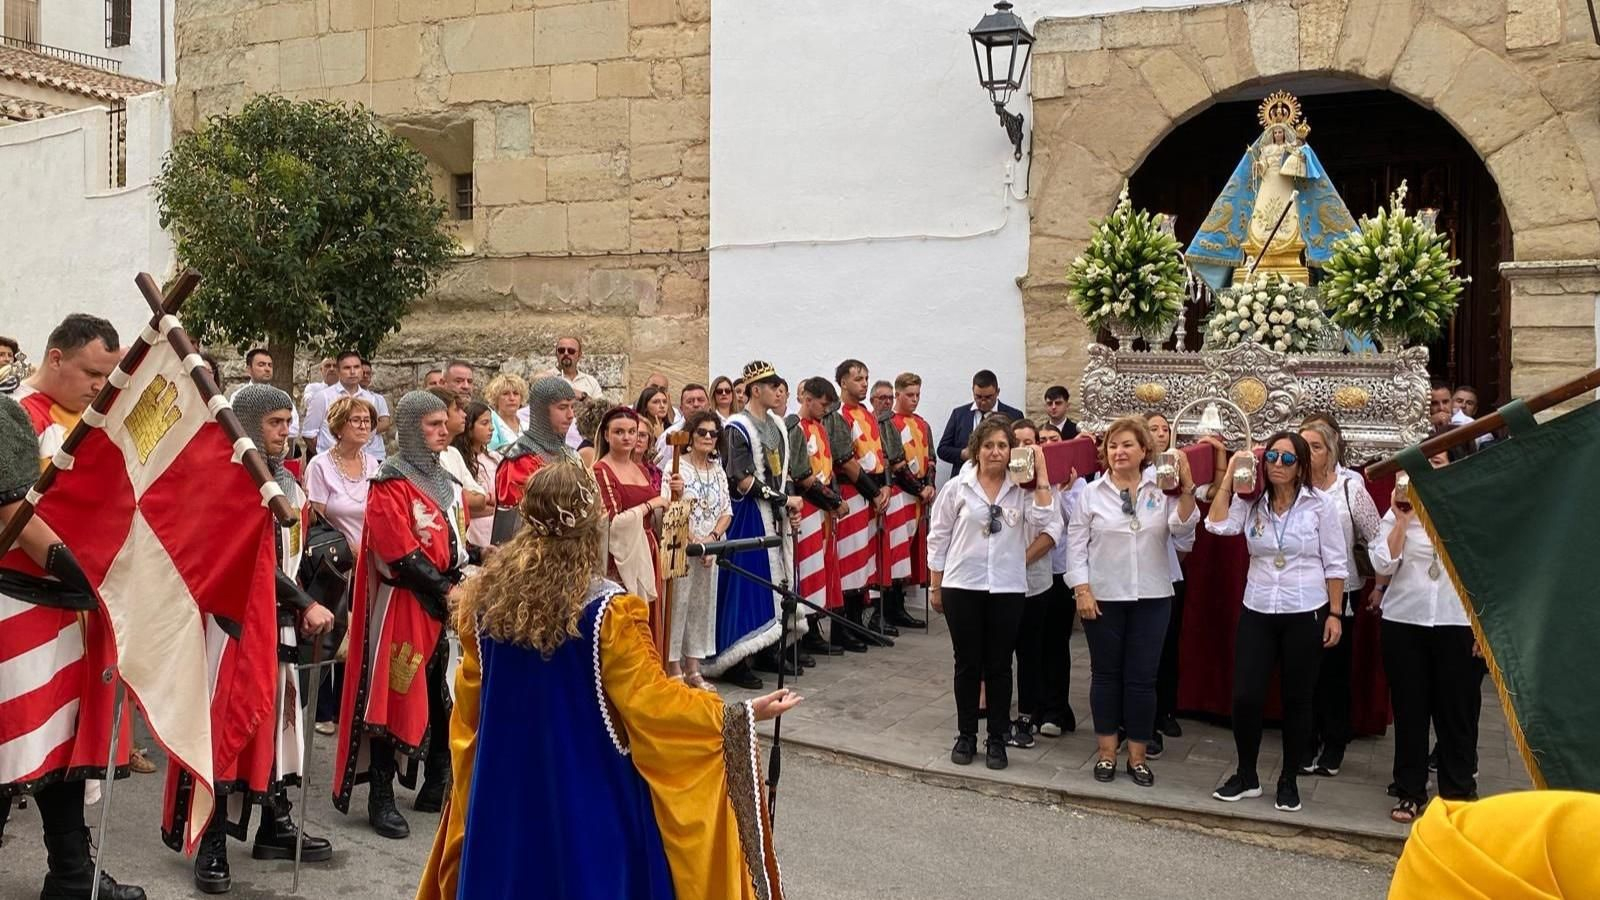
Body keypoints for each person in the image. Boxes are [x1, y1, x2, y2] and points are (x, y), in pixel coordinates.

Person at [414, 460, 796, 899]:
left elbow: (468, 713)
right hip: (588, 793)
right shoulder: (610, 613)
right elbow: (654, 706)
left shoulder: (483, 605)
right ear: (591, 525)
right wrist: (736, 715)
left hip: (503, 792)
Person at [170, 385, 337, 894]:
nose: (287, 432)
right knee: (228, 725)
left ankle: (273, 822)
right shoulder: (230, 481)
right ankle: (212, 839)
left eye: (289, 422)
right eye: (275, 423)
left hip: (280, 618)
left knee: (281, 722)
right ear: (246, 424)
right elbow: (251, 561)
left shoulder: (286, 480)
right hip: (234, 621)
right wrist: (305, 601)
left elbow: (292, 551)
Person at [1, 386, 145, 900]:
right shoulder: (18, 413)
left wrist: (88, 581)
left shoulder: (3, 416)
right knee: (8, 749)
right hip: (13, 609)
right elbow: (12, 516)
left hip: (35, 608)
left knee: (51, 747)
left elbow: (17, 512)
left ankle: (70, 874)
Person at [334, 391, 473, 839]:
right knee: (395, 696)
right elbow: (400, 552)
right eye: (432, 424)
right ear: (412, 428)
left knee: (441, 694)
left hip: (445, 600)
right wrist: (444, 590)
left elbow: (457, 539)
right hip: (405, 605)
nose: (443, 430)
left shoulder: (445, 480)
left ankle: (435, 784)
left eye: (443, 423)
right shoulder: (390, 482)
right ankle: (380, 797)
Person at [1207, 431, 1347, 813]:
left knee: (1297, 699)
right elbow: (1217, 525)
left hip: (1306, 609)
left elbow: (1335, 562)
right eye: (1272, 457)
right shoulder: (1252, 503)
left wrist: (1335, 613)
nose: (1278, 466)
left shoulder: (1320, 506)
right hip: (1259, 607)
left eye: (1287, 459)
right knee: (1246, 695)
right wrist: (1230, 477)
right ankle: (1247, 774)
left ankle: (1288, 778)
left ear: (1301, 466)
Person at [1066, 416, 1198, 786]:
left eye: (1126, 445)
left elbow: (1183, 533)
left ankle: (1138, 756)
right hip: (1104, 597)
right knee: (1106, 676)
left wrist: (1187, 492)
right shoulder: (1092, 493)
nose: (1118, 452)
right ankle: (1107, 752)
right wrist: (1082, 590)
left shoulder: (1162, 489)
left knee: (1142, 679)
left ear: (1144, 451)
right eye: (1112, 446)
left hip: (1153, 596)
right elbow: (1076, 547)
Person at [928, 416, 1055, 771]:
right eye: (989, 445)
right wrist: (935, 584)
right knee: (968, 664)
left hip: (1007, 586)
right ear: (977, 449)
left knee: (1000, 666)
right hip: (962, 584)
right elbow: (938, 537)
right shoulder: (958, 487)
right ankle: (966, 733)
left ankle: (997, 738)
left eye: (1002, 446)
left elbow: (1046, 521)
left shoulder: (1023, 489)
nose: (995, 452)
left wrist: (1040, 474)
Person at [1371, 450, 1484, 823]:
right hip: (1406, 621)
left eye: (1437, 462)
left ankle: (1457, 792)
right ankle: (1410, 791)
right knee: (1410, 710)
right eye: (1423, 463)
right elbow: (1382, 564)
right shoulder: (1398, 512)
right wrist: (1403, 522)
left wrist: (1484, 630)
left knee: (1458, 711)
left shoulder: (1471, 511)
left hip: (1457, 624)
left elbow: (1487, 576)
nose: (1428, 470)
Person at [703, 361, 802, 688]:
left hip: (775, 515)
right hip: (749, 516)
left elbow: (783, 471)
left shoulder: (776, 425)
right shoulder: (737, 427)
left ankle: (770, 649)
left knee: (778, 583)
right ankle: (736, 657)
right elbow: (742, 479)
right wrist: (783, 500)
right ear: (756, 390)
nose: (778, 391)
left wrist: (788, 502)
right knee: (747, 585)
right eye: (772, 386)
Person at [1297, 415, 1381, 778]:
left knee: (1334, 672)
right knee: (1303, 671)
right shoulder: (1290, 486)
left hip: (1341, 593)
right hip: (1298, 593)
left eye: (1316, 446)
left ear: (1331, 450)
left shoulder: (1350, 487)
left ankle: (1334, 742)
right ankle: (1305, 740)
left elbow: (1376, 535)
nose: (1309, 454)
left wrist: (1379, 584)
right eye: (1304, 447)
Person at [303, 395, 381, 734]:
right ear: (339, 426)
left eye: (368, 421)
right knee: (332, 630)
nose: (364, 426)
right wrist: (345, 545)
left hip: (368, 559)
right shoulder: (320, 465)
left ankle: (348, 705)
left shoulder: (374, 465)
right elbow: (315, 517)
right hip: (335, 562)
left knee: (359, 632)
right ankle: (322, 711)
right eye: (357, 420)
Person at [1004, 420, 1064, 750]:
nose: (1026, 448)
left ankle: (1027, 717)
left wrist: (1020, 560)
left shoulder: (1048, 486)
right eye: (1020, 442)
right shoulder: (1002, 484)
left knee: (1030, 654)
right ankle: (1000, 715)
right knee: (999, 653)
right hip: (1000, 584)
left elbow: (1052, 532)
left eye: (1033, 442)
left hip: (1033, 582)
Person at [1144, 412, 1198, 755]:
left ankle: (1165, 711)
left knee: (1165, 648)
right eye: (1154, 429)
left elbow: (1184, 526)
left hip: (1166, 571)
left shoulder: (1173, 472)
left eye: (1166, 429)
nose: (1161, 434)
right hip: (1132, 575)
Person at [829, 359, 894, 641]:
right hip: (853, 493)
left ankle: (858, 621)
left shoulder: (868, 415)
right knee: (849, 559)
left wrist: (887, 486)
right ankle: (842, 628)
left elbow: (882, 455)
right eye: (858, 378)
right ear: (843, 382)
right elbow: (846, 461)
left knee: (866, 562)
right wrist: (874, 491)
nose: (865, 383)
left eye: (867, 378)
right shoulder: (839, 415)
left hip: (872, 496)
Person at [593, 406, 679, 614]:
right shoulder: (601, 470)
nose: (627, 437)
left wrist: (675, 494)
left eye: (632, 432)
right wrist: (651, 505)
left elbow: (661, 510)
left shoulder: (641, 469)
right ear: (606, 435)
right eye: (619, 432)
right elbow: (612, 524)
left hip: (650, 549)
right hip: (622, 555)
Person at [669, 410, 731, 689]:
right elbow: (672, 508)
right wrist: (696, 541)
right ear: (691, 436)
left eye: (713, 433)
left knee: (702, 605)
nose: (708, 437)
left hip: (711, 546)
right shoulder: (676, 467)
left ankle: (694, 667)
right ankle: (673, 666)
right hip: (684, 545)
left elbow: (726, 510)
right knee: (678, 605)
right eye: (702, 432)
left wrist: (713, 539)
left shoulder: (717, 470)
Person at [790, 377, 850, 654]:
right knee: (808, 571)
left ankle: (814, 628)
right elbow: (802, 475)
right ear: (807, 399)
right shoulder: (796, 428)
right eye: (822, 404)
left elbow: (829, 468)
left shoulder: (821, 427)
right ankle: (802, 634)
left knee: (821, 570)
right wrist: (833, 501)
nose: (825, 409)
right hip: (809, 507)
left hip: (823, 511)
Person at [880, 372, 935, 632]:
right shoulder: (888, 423)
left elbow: (931, 458)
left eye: (917, 395)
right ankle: (889, 608)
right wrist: (917, 488)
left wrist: (930, 485)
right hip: (901, 495)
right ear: (898, 394)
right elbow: (896, 463)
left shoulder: (923, 424)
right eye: (909, 395)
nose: (914, 400)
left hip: (918, 497)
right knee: (896, 551)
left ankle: (899, 606)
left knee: (911, 550)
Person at [1036, 423, 1081, 737]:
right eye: (1042, 441)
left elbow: (1073, 524)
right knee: (1033, 644)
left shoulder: (1078, 487)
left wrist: (1063, 491)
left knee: (1056, 642)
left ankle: (1056, 708)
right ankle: (1036, 706)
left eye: (1054, 440)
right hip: (1032, 574)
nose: (1048, 445)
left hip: (1060, 570)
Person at [494, 376, 577, 515]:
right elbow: (519, 518)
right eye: (562, 408)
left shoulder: (568, 454)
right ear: (542, 411)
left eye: (572, 407)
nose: (571, 415)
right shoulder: (520, 461)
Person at [936, 369, 1023, 480]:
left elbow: (1019, 450)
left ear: (998, 392)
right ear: (973, 391)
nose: (983, 401)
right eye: (978, 397)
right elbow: (942, 449)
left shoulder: (1014, 415)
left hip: (1003, 479)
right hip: (964, 479)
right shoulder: (959, 414)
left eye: (988, 397)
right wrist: (963, 454)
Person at [302, 351, 390, 460]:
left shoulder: (370, 399)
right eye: (347, 368)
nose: (353, 372)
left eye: (357, 367)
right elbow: (308, 434)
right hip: (329, 463)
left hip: (360, 464)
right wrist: (325, 458)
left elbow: (369, 433)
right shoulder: (322, 397)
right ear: (338, 372)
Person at [451, 400, 498, 549]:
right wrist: (493, 506)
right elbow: (466, 505)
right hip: (475, 532)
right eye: (484, 423)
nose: (491, 428)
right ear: (469, 427)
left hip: (496, 529)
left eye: (490, 422)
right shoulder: (458, 459)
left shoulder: (495, 458)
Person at [240, 347, 300, 439]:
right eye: (261, 365)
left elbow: (294, 429)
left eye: (270, 365)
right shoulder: (238, 397)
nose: (267, 369)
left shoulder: (282, 396)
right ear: (249, 369)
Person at [482, 372, 527, 453]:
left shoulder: (527, 425)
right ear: (495, 398)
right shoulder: (491, 426)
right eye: (505, 394)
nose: (512, 398)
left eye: (516, 393)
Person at [554, 336, 602, 401]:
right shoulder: (548, 377)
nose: (566, 353)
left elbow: (600, 408)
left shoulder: (591, 381)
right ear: (556, 353)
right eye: (561, 350)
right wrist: (581, 395)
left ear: (579, 355)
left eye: (571, 351)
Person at [635, 384, 672, 465]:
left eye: (665, 402)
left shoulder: (672, 429)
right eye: (656, 402)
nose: (662, 406)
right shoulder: (635, 427)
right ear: (645, 406)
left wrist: (661, 437)